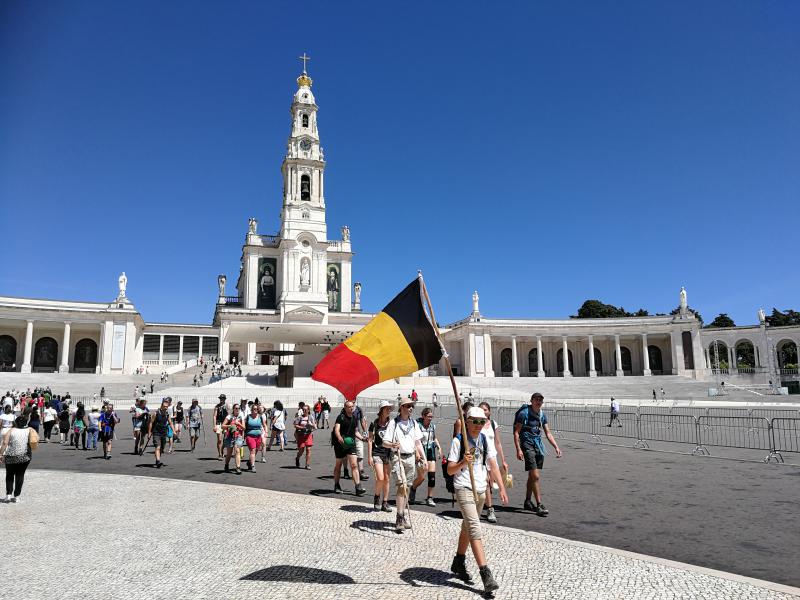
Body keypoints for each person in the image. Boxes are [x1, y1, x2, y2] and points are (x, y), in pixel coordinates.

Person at [447, 406, 508, 593]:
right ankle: (486, 574)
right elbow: (450, 470)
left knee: (467, 526)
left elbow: (493, 465)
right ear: (467, 421)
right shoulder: (459, 441)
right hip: (464, 487)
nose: (478, 425)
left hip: (480, 489)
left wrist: (502, 487)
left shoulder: (484, 439)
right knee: (474, 527)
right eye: (474, 421)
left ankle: (458, 561)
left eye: (482, 422)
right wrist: (463, 462)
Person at [513, 393, 561, 516]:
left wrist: (556, 446)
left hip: (538, 445)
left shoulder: (542, 415)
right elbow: (516, 432)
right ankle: (539, 504)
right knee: (536, 476)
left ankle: (528, 501)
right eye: (536, 400)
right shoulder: (524, 413)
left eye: (540, 400)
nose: (538, 402)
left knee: (532, 476)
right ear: (531, 400)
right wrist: (518, 449)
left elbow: (548, 433)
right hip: (527, 444)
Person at [383, 397, 425, 532]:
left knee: (407, 488)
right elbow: (384, 442)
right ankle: (399, 517)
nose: (410, 408)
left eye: (411, 406)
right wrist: (392, 445)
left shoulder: (414, 423)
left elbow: (418, 443)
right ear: (401, 408)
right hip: (397, 457)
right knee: (402, 486)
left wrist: (423, 458)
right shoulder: (393, 423)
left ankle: (403, 515)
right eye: (407, 406)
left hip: (411, 457)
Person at [479, 401, 508, 524]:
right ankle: (490, 509)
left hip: (492, 456)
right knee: (485, 482)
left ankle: (485, 504)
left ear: (489, 411)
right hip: (480, 457)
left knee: (490, 484)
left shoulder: (492, 424)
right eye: (481, 410)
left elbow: (497, 442)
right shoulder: (476, 424)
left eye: (485, 409)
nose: (484, 412)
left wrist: (503, 460)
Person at [408, 406, 441, 507]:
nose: (430, 418)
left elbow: (434, 438)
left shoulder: (432, 426)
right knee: (421, 477)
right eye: (428, 416)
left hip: (430, 451)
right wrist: (417, 453)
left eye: (431, 416)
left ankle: (429, 498)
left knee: (432, 477)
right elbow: (413, 440)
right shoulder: (417, 426)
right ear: (423, 416)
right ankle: (413, 488)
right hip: (421, 452)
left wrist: (439, 448)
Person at [332, 401, 366, 496]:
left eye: (352, 406)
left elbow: (355, 432)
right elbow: (336, 429)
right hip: (340, 444)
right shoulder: (341, 417)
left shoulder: (354, 418)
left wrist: (363, 438)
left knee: (354, 465)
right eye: (349, 407)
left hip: (350, 443)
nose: (351, 408)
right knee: (338, 465)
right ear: (345, 407)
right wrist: (339, 437)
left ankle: (358, 487)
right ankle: (337, 484)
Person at [1, 415, 37, 503]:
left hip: (11, 456)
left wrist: (1, 454)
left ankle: (8, 495)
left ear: (15, 423)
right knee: (20, 475)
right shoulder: (29, 430)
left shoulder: (11, 430)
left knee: (9, 475)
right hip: (25, 456)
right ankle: (17, 496)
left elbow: (5, 442)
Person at [368, 400, 394, 512]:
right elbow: (370, 440)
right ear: (381, 410)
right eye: (386, 408)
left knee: (387, 479)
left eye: (389, 408)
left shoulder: (392, 423)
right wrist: (369, 456)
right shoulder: (374, 423)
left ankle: (385, 502)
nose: (388, 410)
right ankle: (377, 497)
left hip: (388, 453)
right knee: (380, 478)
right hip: (377, 452)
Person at [148, 400, 173, 468]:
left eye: (167, 407)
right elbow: (151, 423)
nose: (166, 408)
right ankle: (158, 461)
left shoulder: (167, 414)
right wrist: (149, 433)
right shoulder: (156, 413)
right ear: (161, 406)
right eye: (164, 406)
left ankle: (157, 458)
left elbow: (170, 422)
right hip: (156, 432)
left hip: (163, 433)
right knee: (157, 447)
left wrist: (174, 431)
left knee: (162, 448)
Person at [222, 403, 245, 474]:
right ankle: (226, 465)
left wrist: (239, 424)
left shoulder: (241, 417)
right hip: (230, 436)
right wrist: (230, 426)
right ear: (233, 409)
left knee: (237, 451)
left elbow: (244, 428)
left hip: (238, 436)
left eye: (239, 408)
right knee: (229, 453)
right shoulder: (229, 416)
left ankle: (238, 467)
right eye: (236, 408)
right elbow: (223, 426)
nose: (237, 410)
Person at [293, 404, 316, 469]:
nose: (304, 410)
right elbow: (295, 425)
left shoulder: (311, 417)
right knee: (301, 451)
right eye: (303, 409)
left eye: (305, 409)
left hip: (308, 435)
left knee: (308, 450)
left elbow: (314, 426)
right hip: (301, 435)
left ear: (308, 410)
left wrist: (311, 425)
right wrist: (302, 427)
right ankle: (297, 458)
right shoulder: (299, 417)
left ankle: (307, 464)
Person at [244, 404, 265, 472]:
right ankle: (253, 466)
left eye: (256, 409)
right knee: (253, 450)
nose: (255, 410)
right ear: (251, 410)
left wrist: (266, 432)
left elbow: (264, 425)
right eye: (254, 409)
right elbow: (243, 426)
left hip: (258, 437)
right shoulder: (248, 417)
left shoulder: (260, 417)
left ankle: (249, 462)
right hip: (250, 436)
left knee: (256, 450)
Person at [213, 395, 228, 460]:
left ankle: (222, 450)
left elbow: (229, 415)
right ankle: (219, 454)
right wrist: (214, 426)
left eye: (223, 398)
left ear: (225, 399)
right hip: (218, 423)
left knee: (225, 440)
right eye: (221, 398)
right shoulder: (217, 407)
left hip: (225, 423)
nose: (222, 399)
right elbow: (214, 416)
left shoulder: (227, 406)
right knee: (219, 439)